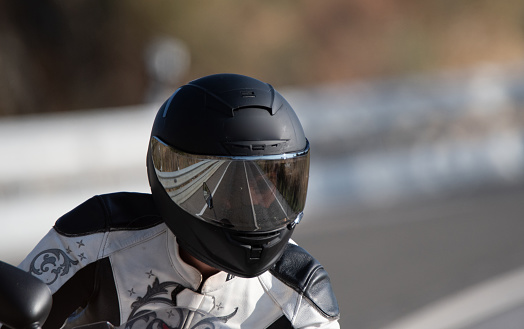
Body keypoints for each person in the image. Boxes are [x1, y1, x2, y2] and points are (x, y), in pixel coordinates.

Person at [16, 74, 340, 329]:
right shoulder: (95, 238)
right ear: (185, 182)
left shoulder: (299, 293)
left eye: (274, 184)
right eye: (238, 187)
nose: (260, 202)